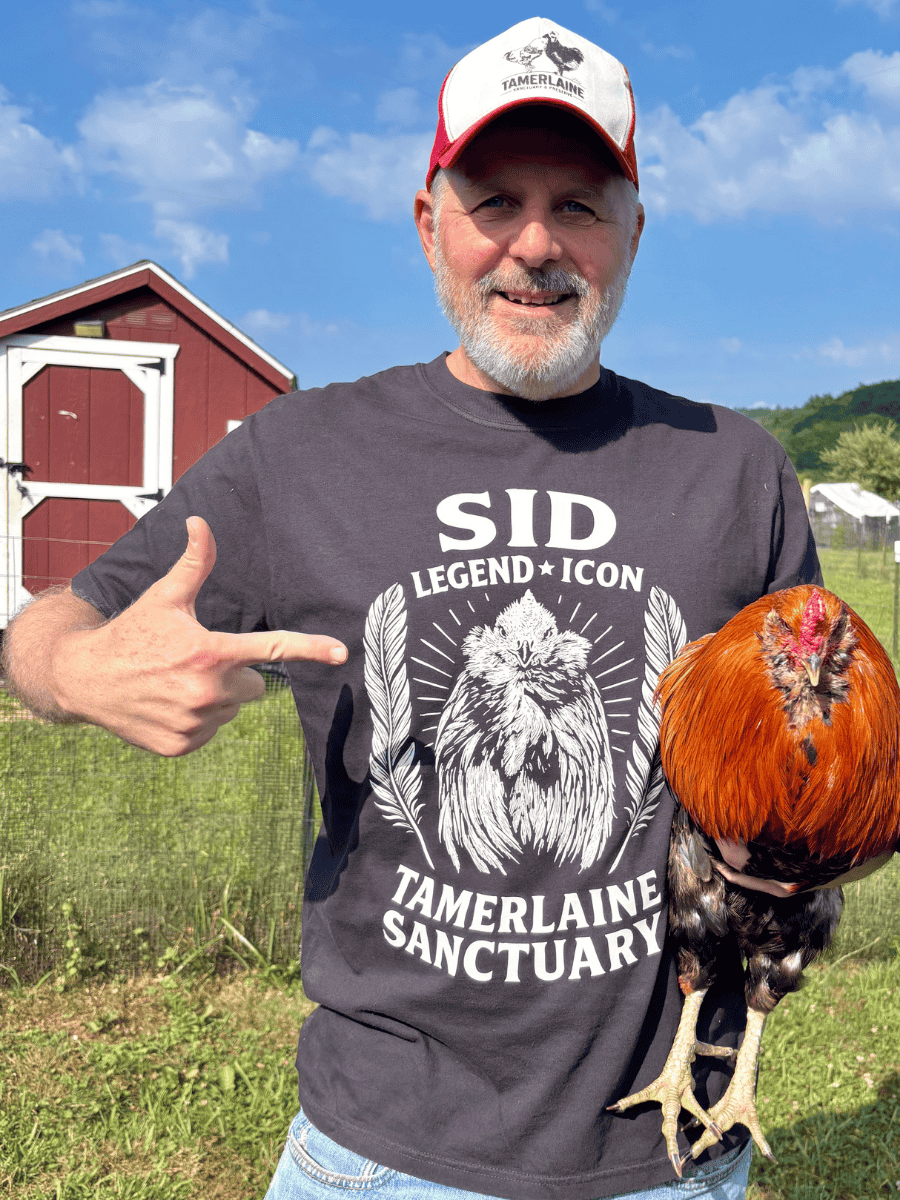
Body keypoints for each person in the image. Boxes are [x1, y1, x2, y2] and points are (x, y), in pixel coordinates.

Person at [3, 17, 819, 1200]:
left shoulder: (734, 470)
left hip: (668, 1154)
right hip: (377, 1155)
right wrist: (79, 672)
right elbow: (42, 630)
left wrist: (799, 833)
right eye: (494, 199)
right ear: (428, 221)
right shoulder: (300, 456)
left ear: (635, 231)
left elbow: (810, 741)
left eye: (580, 206)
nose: (534, 247)